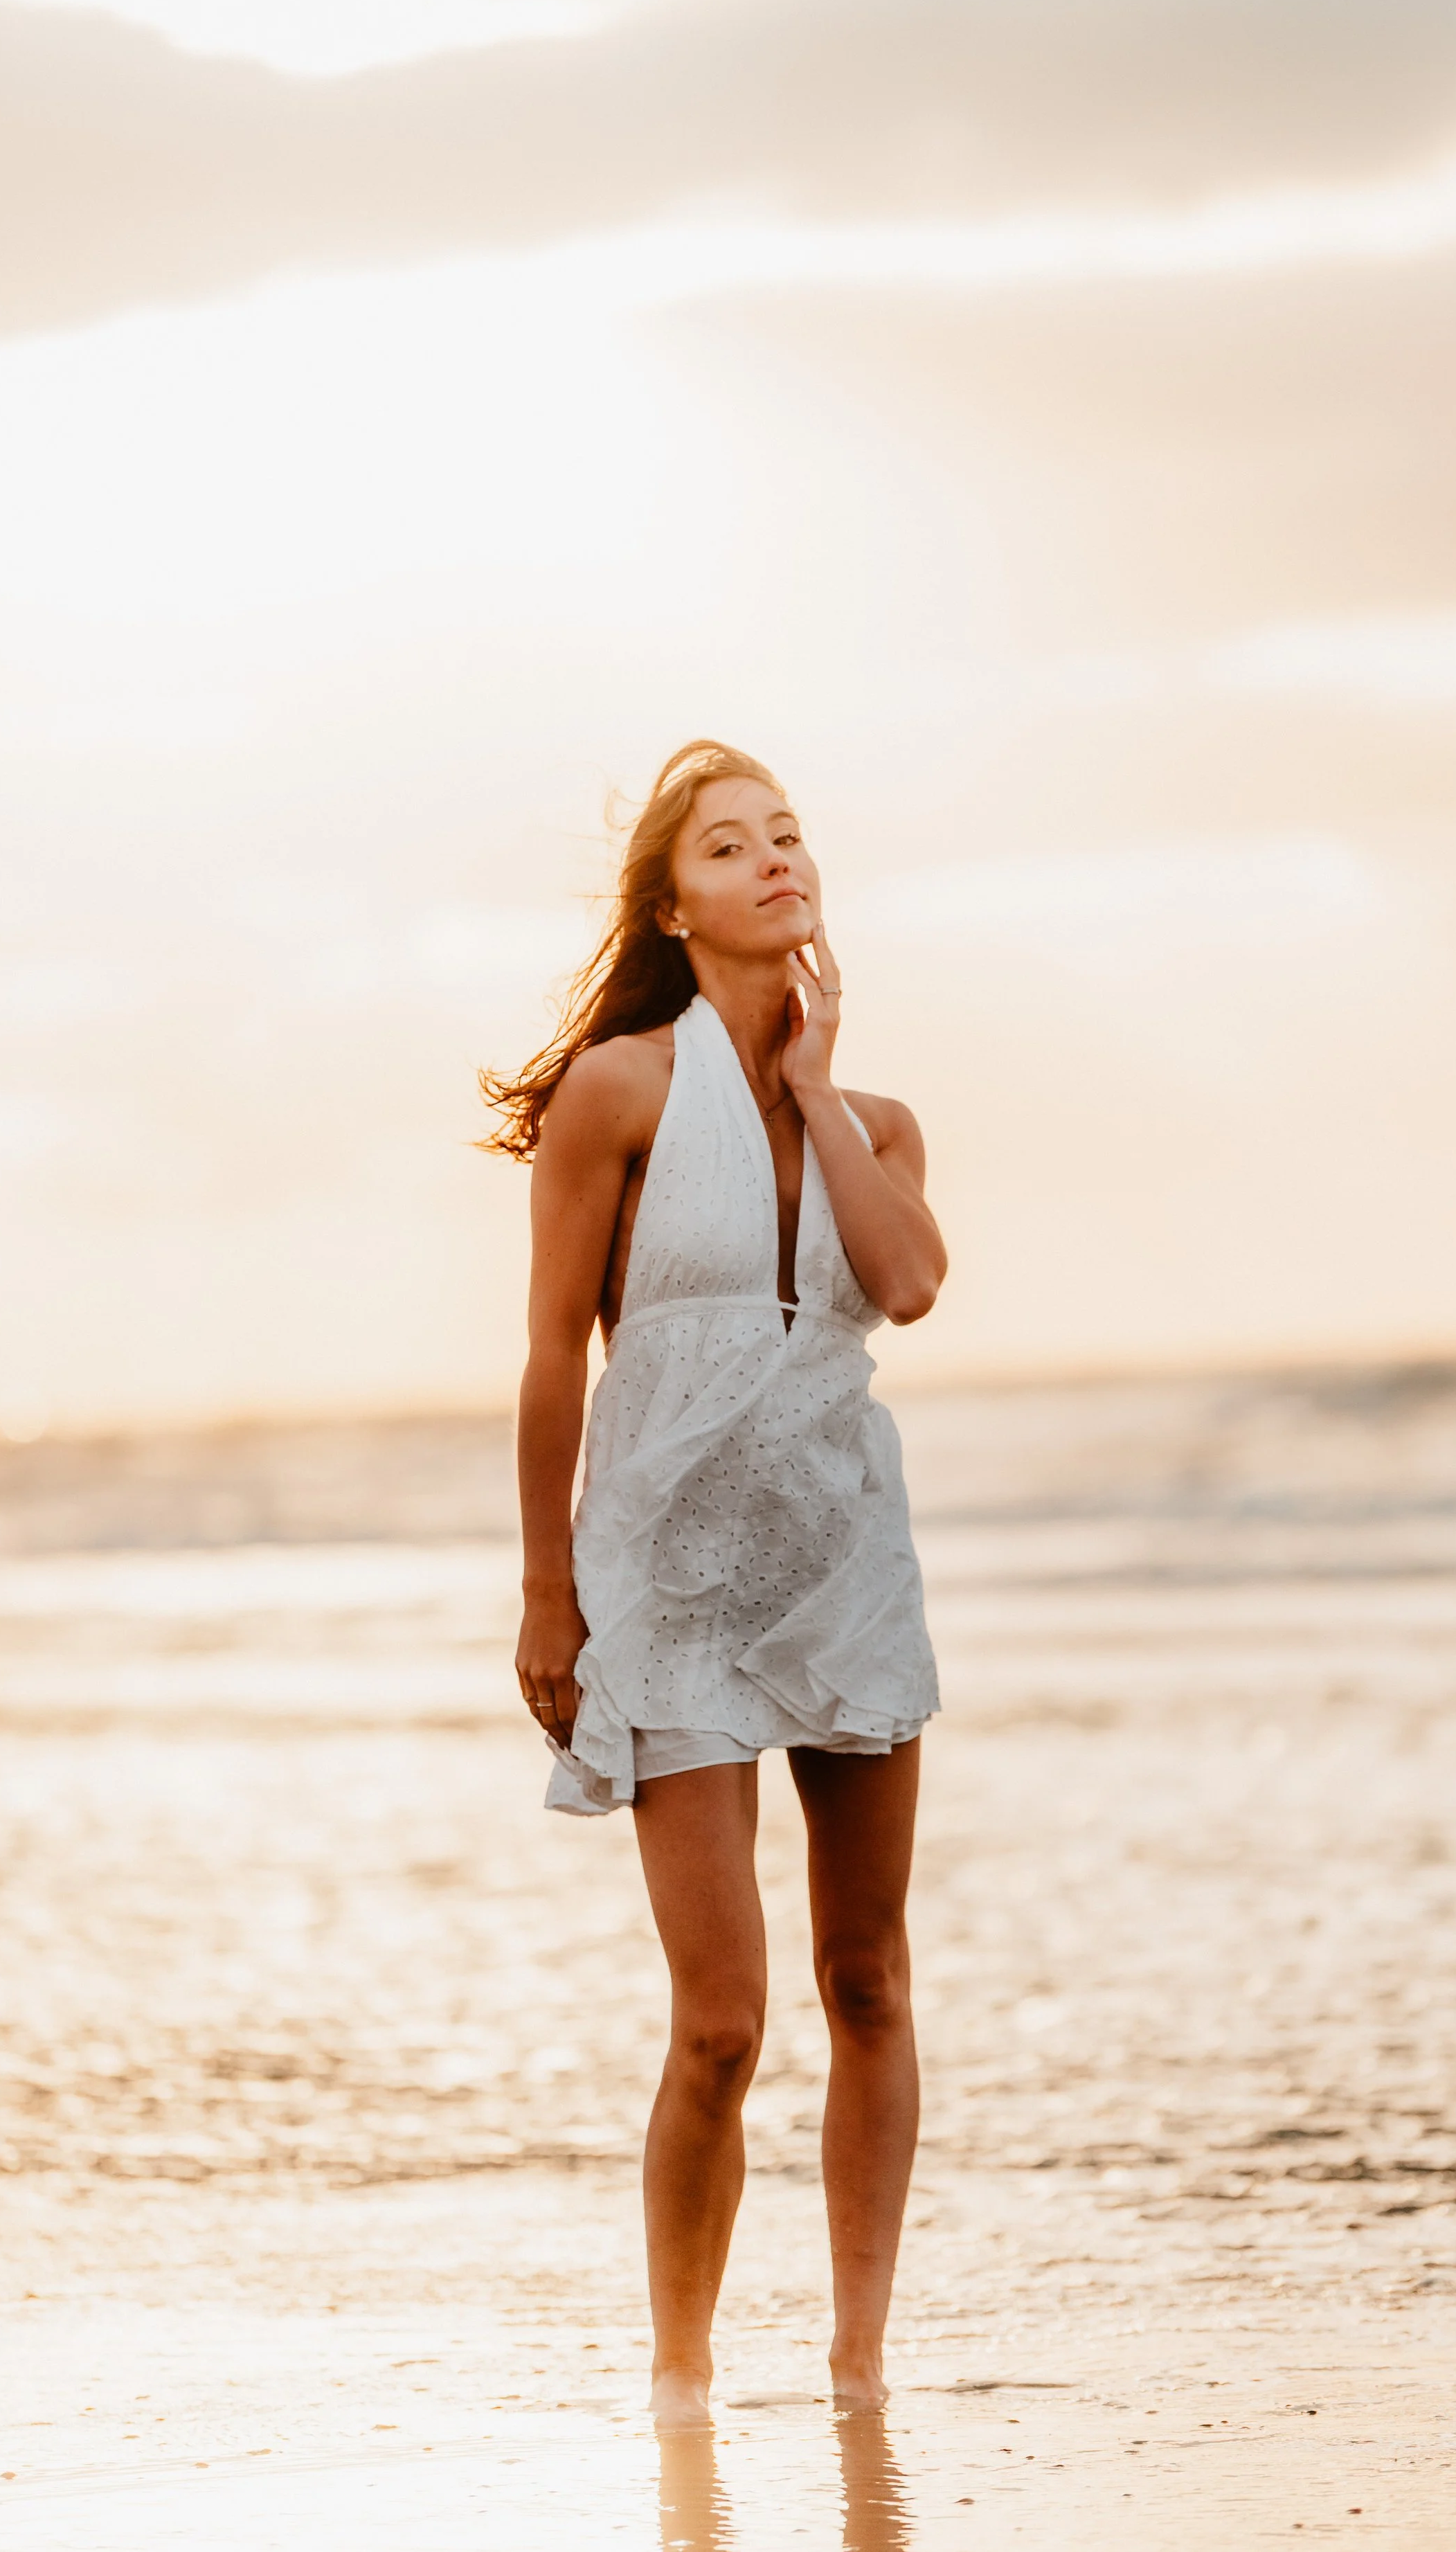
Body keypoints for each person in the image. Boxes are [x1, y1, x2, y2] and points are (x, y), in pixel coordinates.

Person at [480, 739, 946, 2432]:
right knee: (723, 2026)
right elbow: (547, 1358)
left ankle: (856, 2371)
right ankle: (679, 2374)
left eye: (790, 836)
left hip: (841, 1572)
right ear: (673, 905)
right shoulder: (614, 1092)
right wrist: (549, 1592)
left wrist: (818, 1086)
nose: (772, 861)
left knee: (871, 1980)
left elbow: (901, 1284)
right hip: (666, 1590)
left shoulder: (876, 1121)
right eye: (730, 846)